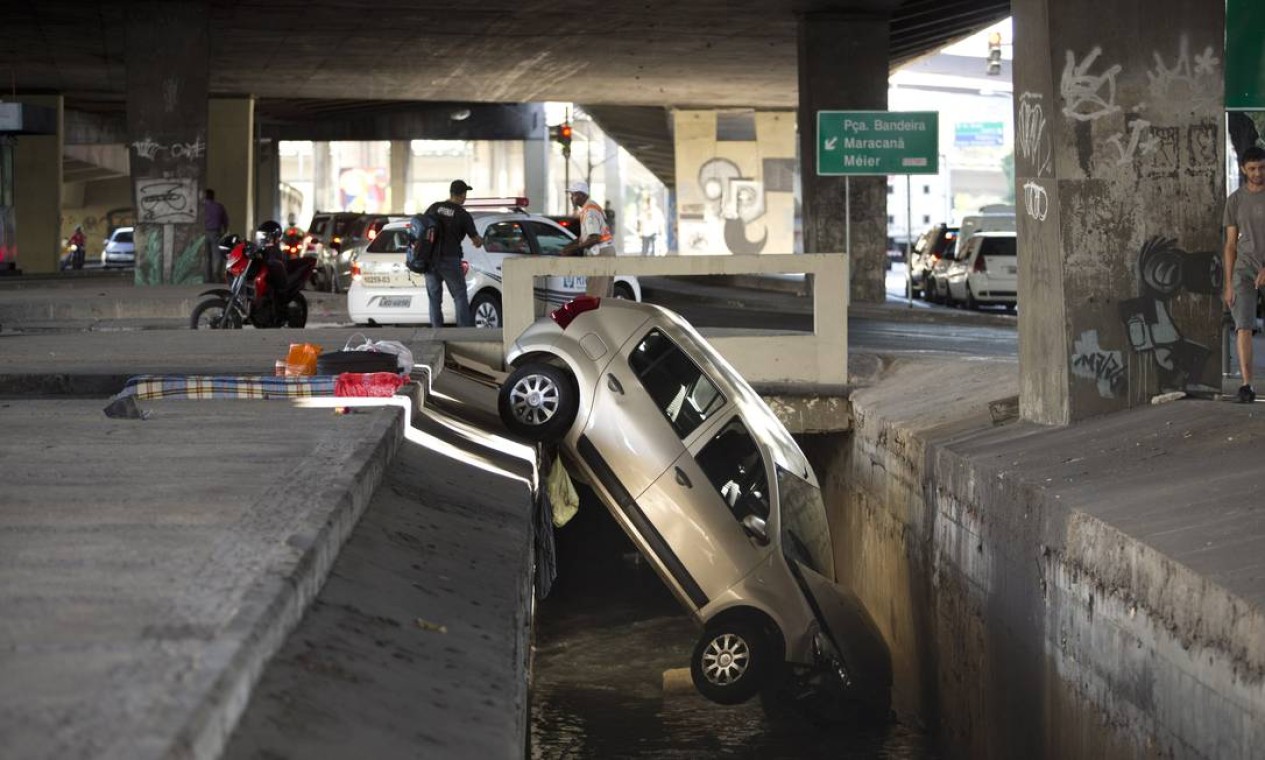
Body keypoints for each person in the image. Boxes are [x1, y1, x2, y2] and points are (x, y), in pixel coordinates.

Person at [1223, 145, 1265, 403]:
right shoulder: (1235, 200)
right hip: (1243, 269)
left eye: (1261, 167)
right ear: (1243, 169)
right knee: (1243, 326)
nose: (1257, 173)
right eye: (1252, 169)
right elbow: (1229, 244)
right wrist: (1228, 283)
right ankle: (1247, 385)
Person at [423, 180, 483, 327]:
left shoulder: (434, 208)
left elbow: (422, 227)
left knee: (434, 298)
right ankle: (463, 332)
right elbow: (476, 241)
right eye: (465, 194)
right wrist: (481, 240)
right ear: (462, 195)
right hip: (450, 259)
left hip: (430, 260)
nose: (465, 197)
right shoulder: (463, 215)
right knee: (459, 296)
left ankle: (436, 331)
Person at [560, 181, 616, 297]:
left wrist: (573, 249)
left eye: (573, 195)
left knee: (595, 296)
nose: (571, 198)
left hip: (600, 253)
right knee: (606, 297)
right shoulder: (590, 207)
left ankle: (596, 316)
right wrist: (569, 246)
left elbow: (595, 237)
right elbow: (586, 236)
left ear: (582, 195)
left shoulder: (590, 211)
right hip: (606, 251)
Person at [204, 189, 230, 281]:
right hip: (215, 232)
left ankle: (207, 277)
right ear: (213, 196)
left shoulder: (201, 207)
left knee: (206, 256)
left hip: (204, 233)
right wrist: (226, 231)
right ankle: (216, 274)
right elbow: (225, 221)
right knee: (216, 255)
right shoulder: (219, 206)